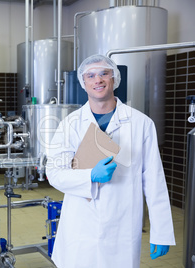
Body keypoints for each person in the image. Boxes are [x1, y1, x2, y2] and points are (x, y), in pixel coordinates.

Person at [46, 54, 175, 268]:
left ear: (114, 78)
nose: (98, 80)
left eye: (104, 73)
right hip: (80, 224)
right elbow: (54, 173)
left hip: (121, 225)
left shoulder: (141, 123)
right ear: (83, 83)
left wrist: (161, 231)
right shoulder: (70, 124)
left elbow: (154, 181)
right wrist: (89, 175)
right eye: (91, 75)